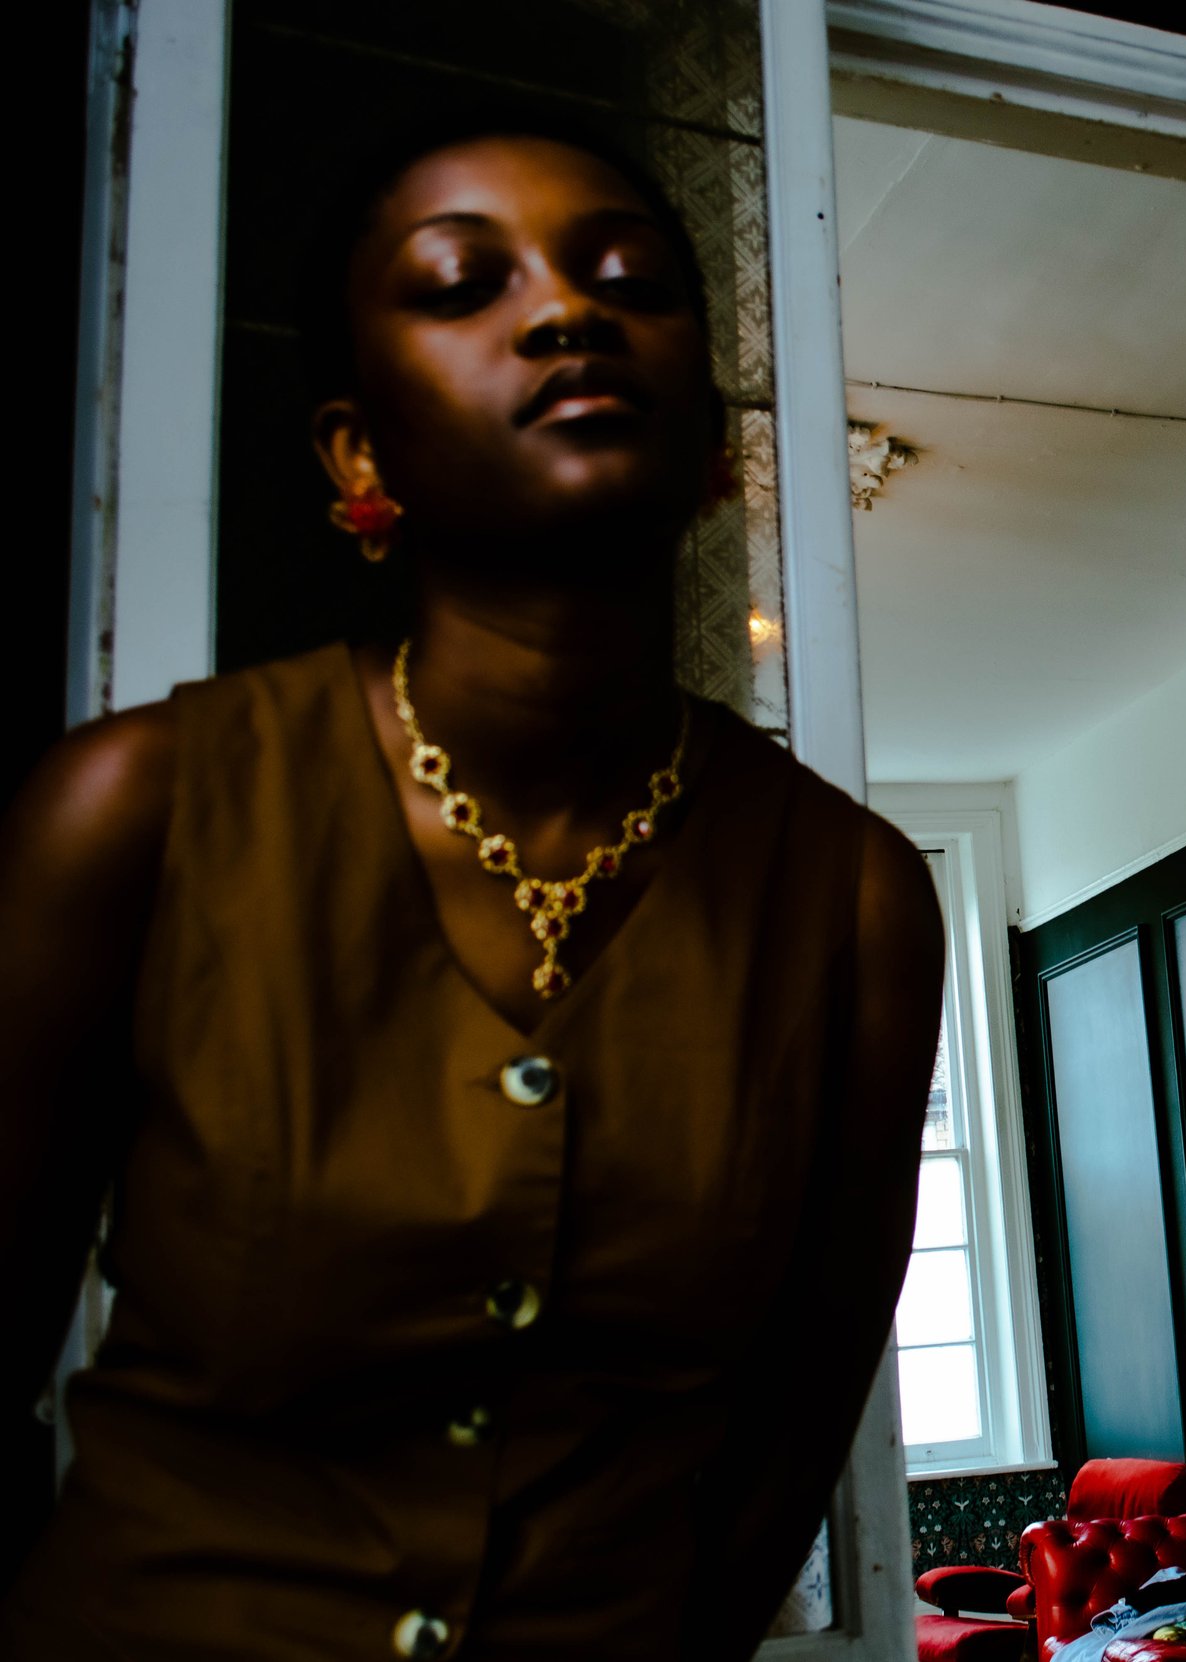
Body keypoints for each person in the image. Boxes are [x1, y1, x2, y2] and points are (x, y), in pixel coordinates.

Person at [0, 112, 942, 1659]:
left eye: (630, 280)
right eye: (461, 283)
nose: (569, 310)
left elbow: (792, 1426)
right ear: (358, 453)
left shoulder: (856, 903)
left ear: (715, 439)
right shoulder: (136, 811)